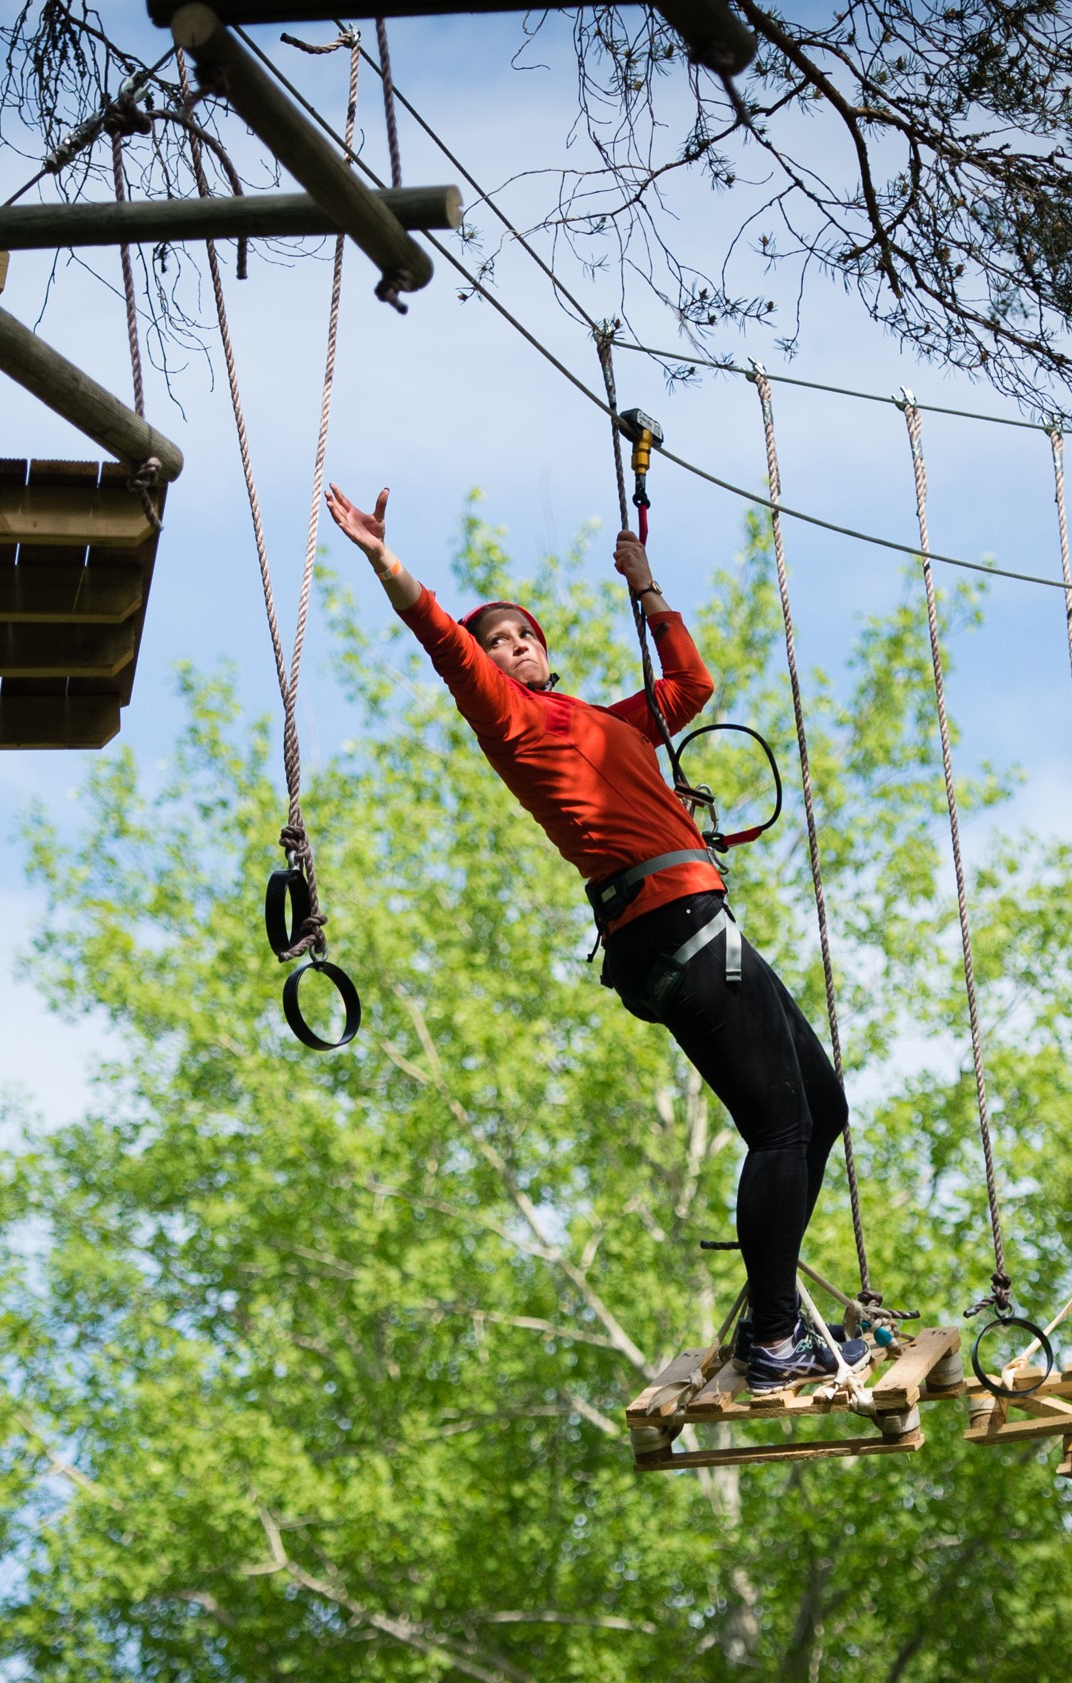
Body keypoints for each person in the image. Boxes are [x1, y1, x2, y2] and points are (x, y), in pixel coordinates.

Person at [323, 483, 859, 1393]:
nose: (513, 646)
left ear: (547, 648)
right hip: (672, 929)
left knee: (823, 1109)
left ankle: (773, 1317)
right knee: (780, 1125)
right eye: (498, 642)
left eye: (523, 634)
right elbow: (444, 641)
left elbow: (693, 686)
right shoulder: (514, 723)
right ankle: (774, 1338)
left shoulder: (609, 724)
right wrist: (386, 561)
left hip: (702, 923)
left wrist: (648, 587)